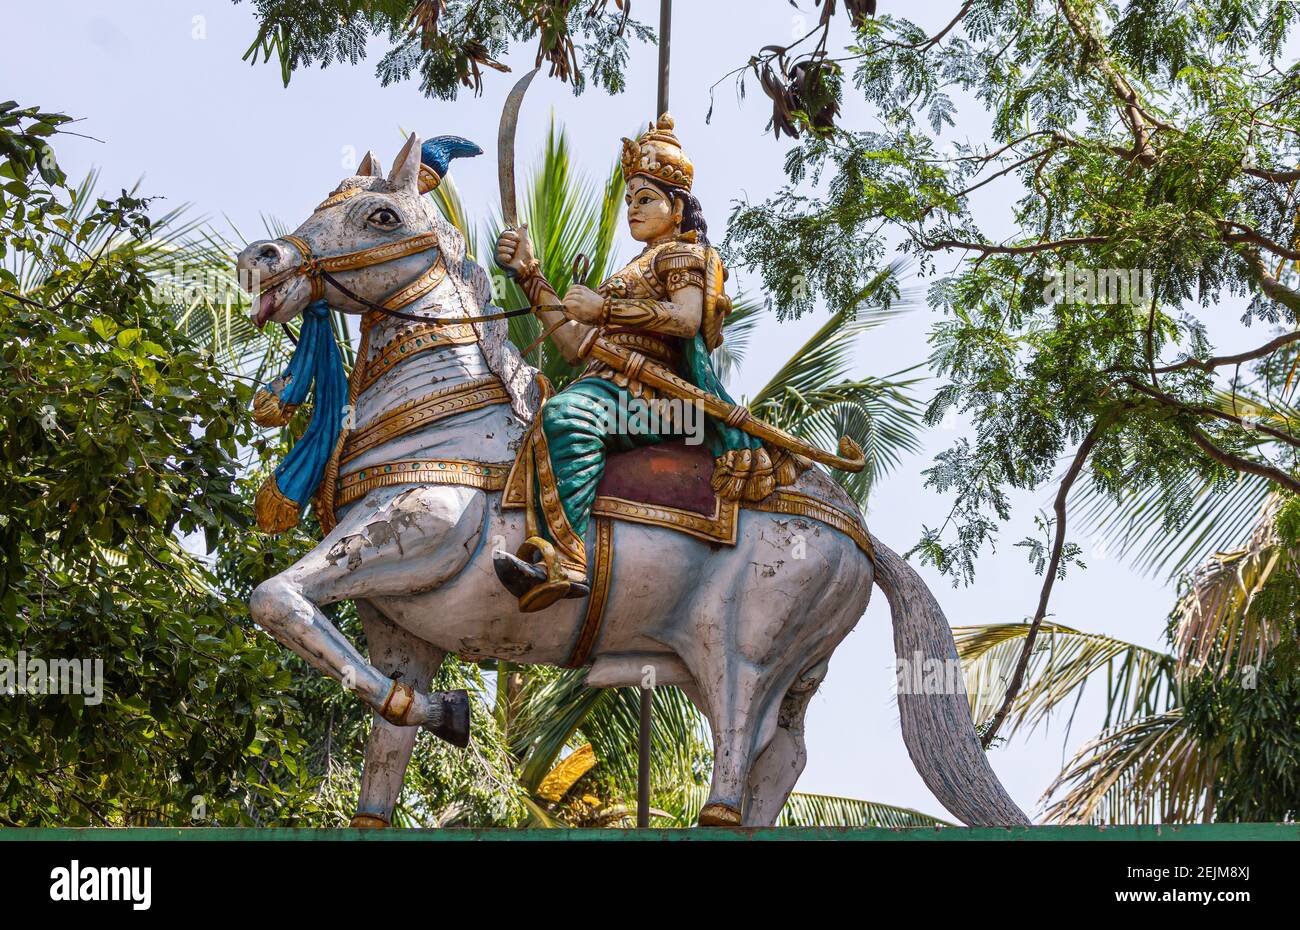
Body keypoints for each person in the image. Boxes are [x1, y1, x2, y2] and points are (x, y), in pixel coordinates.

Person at [493, 114, 804, 611]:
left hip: (660, 401)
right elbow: (573, 344)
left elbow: (684, 320)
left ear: (677, 206)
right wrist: (530, 275)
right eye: (629, 201)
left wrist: (605, 308)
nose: (632, 210)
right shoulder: (632, 268)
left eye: (645, 199)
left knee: (566, 416)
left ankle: (566, 561)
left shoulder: (685, 255)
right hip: (607, 384)